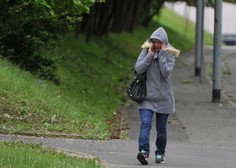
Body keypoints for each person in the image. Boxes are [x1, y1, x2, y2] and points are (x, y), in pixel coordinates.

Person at [134, 27, 180, 165]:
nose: (156, 45)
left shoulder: (170, 54)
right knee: (146, 124)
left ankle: (160, 153)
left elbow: (166, 72)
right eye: (154, 41)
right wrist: (149, 55)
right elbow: (138, 68)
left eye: (159, 42)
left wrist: (162, 55)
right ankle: (143, 152)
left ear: (164, 43)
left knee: (161, 129)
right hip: (147, 96)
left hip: (164, 98)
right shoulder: (146, 50)